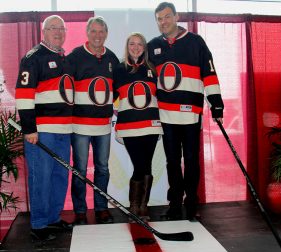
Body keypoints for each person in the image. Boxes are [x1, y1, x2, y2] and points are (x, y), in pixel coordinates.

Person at [148, 2, 224, 221]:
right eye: (159, 19)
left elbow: (209, 74)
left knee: (191, 160)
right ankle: (174, 203)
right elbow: (145, 77)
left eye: (167, 17)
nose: (163, 22)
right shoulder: (153, 45)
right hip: (166, 115)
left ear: (176, 16)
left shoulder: (196, 42)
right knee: (172, 161)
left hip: (191, 114)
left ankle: (191, 202)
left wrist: (216, 104)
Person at [15, 15, 73, 241]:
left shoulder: (64, 58)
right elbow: (23, 95)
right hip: (42, 131)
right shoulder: (33, 57)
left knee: (59, 176)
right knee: (42, 176)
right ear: (43, 32)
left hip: (64, 130)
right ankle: (39, 225)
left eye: (61, 28)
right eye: (52, 28)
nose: (58, 32)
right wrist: (29, 129)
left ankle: (52, 218)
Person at [67, 16, 119, 225]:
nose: (98, 35)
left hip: (103, 126)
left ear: (106, 34)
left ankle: (101, 208)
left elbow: (117, 88)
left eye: (101, 31)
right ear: (87, 33)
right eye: (94, 31)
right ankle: (80, 210)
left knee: (102, 168)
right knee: (79, 168)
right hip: (79, 125)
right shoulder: (75, 56)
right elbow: (65, 86)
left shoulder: (112, 58)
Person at [113, 33, 163, 221]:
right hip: (129, 126)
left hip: (150, 124)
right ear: (127, 46)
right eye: (132, 44)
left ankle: (143, 206)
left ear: (144, 47)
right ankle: (134, 205)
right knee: (139, 165)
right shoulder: (119, 69)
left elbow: (161, 95)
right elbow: (110, 97)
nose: (136, 47)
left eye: (139, 44)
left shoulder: (152, 68)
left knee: (147, 164)